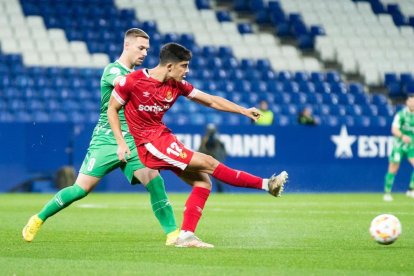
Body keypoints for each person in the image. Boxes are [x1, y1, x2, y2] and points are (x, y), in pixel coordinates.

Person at [107, 42, 288, 248]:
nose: (187, 71)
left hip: (163, 137)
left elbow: (210, 100)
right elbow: (112, 109)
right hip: (150, 143)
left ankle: (186, 236)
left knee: (203, 183)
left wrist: (243, 110)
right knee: (209, 162)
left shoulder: (177, 85)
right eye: (184, 66)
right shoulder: (133, 81)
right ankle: (267, 185)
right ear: (169, 66)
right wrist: (121, 143)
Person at [22, 28, 179, 245]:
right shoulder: (112, 71)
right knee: (80, 190)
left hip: (132, 139)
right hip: (106, 139)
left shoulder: (141, 75)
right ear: (127, 46)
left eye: (147, 49)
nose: (144, 53)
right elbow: (125, 85)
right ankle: (38, 218)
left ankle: (173, 234)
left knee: (154, 179)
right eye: (140, 48)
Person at [383, 94, 414, 202]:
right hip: (399, 145)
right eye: (410, 101)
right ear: (407, 102)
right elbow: (394, 129)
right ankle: (387, 192)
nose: (412, 103)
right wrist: (402, 136)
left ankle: (411, 189)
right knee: (393, 168)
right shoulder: (401, 115)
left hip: (412, 146)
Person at [198, 124, 227, 193]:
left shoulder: (218, 140)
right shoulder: (204, 139)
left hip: (216, 160)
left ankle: (220, 191)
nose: (211, 132)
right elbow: (201, 149)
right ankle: (203, 191)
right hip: (207, 160)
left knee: (218, 178)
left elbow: (222, 151)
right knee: (205, 177)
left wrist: (220, 158)